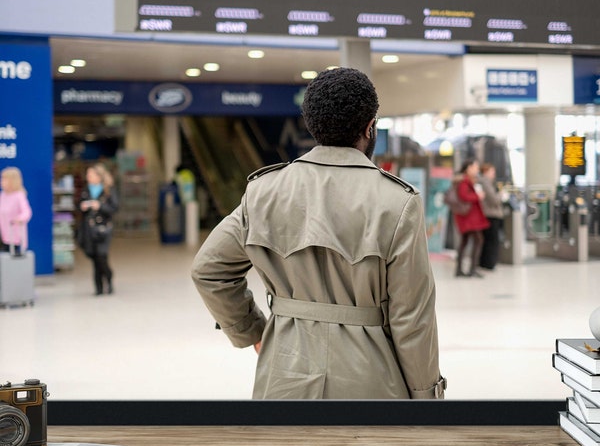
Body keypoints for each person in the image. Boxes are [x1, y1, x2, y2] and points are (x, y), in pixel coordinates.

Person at [191, 67, 445, 400]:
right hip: (370, 380)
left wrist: (252, 331)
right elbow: (411, 320)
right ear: (370, 127)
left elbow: (209, 269)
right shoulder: (397, 201)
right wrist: (427, 397)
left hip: (283, 372)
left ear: (312, 126)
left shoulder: (264, 191)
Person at [78, 163, 118, 295]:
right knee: (94, 257)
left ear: (99, 176)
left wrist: (99, 206)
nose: (88, 177)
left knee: (101, 256)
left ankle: (109, 277)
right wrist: (83, 207)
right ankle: (99, 287)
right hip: (89, 229)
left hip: (103, 228)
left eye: (91, 174)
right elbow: (79, 207)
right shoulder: (86, 190)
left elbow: (114, 208)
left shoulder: (108, 190)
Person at [453, 158, 490, 278]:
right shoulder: (464, 181)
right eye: (475, 167)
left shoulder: (467, 180)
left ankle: (460, 269)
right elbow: (464, 196)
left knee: (464, 241)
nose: (477, 169)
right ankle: (472, 269)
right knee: (478, 240)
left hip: (467, 216)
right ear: (468, 168)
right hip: (469, 217)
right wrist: (477, 196)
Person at [0, 167, 32, 255]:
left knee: (11, 262)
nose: (1, 181)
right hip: (3, 235)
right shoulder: (3, 195)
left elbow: (27, 212)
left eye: (4, 179)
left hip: (14, 237)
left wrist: (18, 219)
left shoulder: (19, 195)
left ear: (12, 181)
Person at [478, 163, 504, 270]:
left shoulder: (486, 183)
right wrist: (501, 195)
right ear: (486, 172)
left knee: (488, 240)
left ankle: (486, 262)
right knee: (491, 240)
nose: (494, 174)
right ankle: (489, 263)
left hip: (489, 214)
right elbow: (494, 199)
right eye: (492, 172)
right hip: (491, 215)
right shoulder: (485, 182)